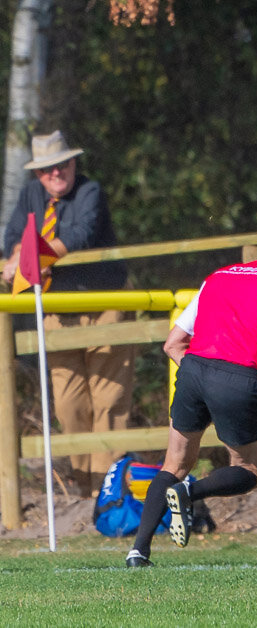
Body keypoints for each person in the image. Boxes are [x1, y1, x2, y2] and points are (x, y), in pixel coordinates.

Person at [121, 225, 257, 568]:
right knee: (250, 468)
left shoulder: (218, 276)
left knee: (173, 465)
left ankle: (138, 551)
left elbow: (172, 343)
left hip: (192, 370)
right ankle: (191, 492)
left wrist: (200, 380)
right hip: (238, 377)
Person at [1, 131, 132, 492]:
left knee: (108, 397)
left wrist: (34, 259)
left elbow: (81, 234)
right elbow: (13, 236)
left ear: (74, 163)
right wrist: (17, 257)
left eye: (62, 165)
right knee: (68, 402)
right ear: (38, 175)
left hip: (105, 303)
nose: (55, 174)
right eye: (46, 170)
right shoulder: (30, 195)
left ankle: (111, 489)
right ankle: (86, 486)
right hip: (58, 308)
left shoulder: (90, 191)